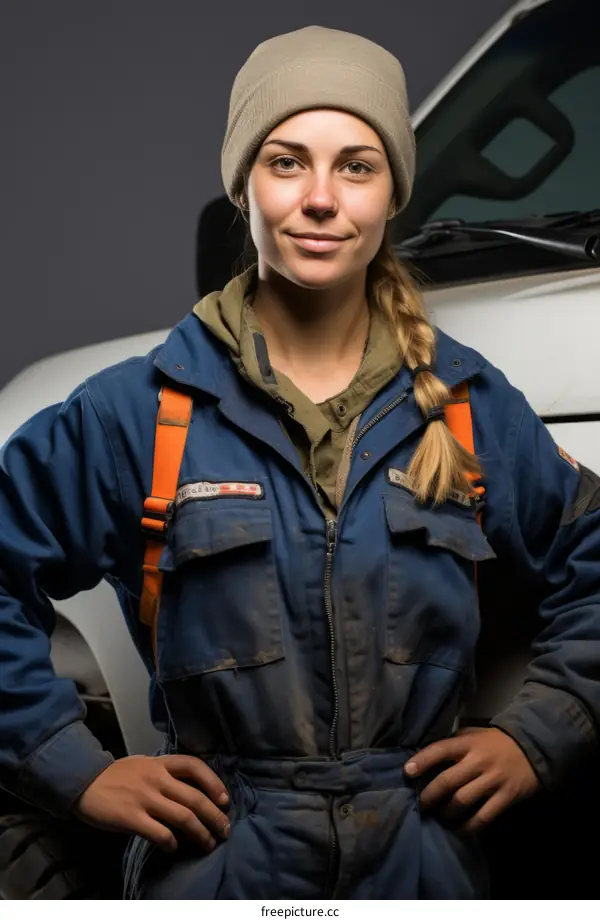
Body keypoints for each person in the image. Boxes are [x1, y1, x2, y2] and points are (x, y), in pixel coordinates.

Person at [1, 25, 599, 901]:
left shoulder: (469, 409)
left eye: (357, 165)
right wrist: (75, 768)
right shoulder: (140, 413)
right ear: (242, 184)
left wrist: (536, 735)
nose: (321, 199)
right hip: (217, 865)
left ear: (394, 191)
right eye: (287, 162)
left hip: (427, 868)